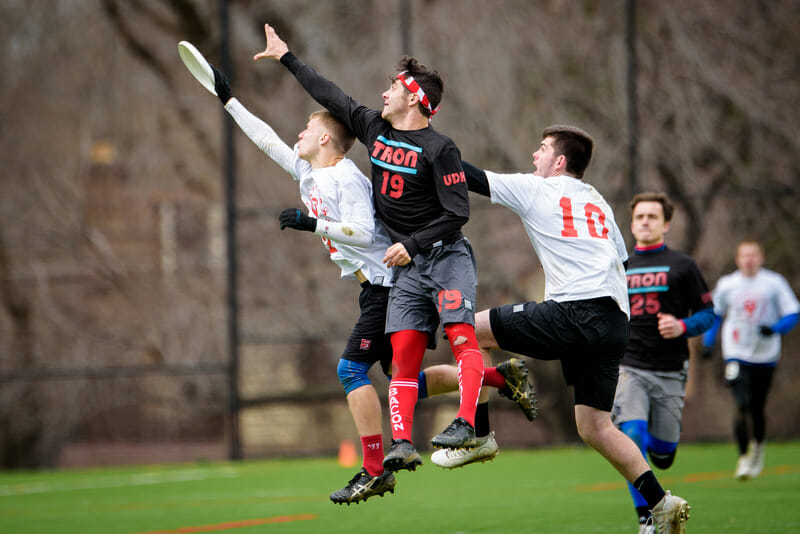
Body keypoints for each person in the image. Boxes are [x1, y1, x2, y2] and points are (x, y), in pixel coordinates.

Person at [205, 66, 536, 504]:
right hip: (372, 285)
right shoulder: (311, 174)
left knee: (349, 370)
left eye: (307, 127)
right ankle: (499, 377)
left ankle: (374, 468)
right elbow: (267, 141)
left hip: (387, 282)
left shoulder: (343, 177)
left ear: (325, 139)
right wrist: (230, 102)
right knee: (405, 380)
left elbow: (362, 232)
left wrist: (312, 223)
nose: (298, 134)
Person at [253, 24, 493, 473]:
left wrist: (413, 243)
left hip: (444, 257)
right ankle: (402, 445)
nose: (384, 94)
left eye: (393, 87)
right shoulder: (373, 128)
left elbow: (457, 214)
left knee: (461, 335)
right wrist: (287, 56)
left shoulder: (441, 148)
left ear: (416, 99)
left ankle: (467, 423)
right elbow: (330, 94)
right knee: (402, 355)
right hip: (404, 267)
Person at [459, 126, 691, 534]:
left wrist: (425, 151)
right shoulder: (598, 202)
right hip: (615, 322)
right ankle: (662, 502)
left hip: (576, 312)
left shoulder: (536, 188)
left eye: (542, 149)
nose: (535, 155)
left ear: (559, 162)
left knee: (471, 329)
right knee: (595, 427)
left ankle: (478, 435)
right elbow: (622, 262)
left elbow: (468, 176)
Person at [611, 192, 714, 532]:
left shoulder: (683, 265)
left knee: (663, 454)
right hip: (629, 366)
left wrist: (683, 326)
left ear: (666, 224)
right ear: (631, 222)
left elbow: (708, 314)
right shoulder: (619, 267)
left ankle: (664, 444)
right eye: (640, 216)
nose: (645, 221)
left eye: (652, 217)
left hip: (670, 369)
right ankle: (648, 518)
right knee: (632, 433)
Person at [702, 240, 799, 480]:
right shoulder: (727, 284)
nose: (749, 260)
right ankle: (743, 457)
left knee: (756, 406)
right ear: (737, 259)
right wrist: (707, 342)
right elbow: (714, 314)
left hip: (765, 354)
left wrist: (776, 328)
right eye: (744, 256)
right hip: (736, 352)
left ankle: (758, 447)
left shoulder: (774, 283)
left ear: (761, 258)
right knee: (741, 403)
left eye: (753, 255)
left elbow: (793, 312)